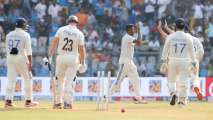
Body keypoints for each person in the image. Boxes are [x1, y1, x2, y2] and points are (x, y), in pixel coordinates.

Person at [157, 19, 204, 101]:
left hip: (179, 60)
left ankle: (174, 93)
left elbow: (170, 36)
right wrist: (196, 61)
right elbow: (201, 52)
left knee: (175, 79)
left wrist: (163, 60)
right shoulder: (194, 39)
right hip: (192, 60)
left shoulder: (177, 36)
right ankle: (195, 88)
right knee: (194, 78)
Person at [48, 15, 86, 109]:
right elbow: (81, 49)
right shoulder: (79, 33)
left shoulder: (61, 30)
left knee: (59, 80)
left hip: (61, 57)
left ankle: (57, 103)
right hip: (73, 58)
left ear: (68, 21)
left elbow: (54, 42)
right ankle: (68, 103)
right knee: (70, 81)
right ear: (76, 23)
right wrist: (83, 62)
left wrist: (49, 56)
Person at [5, 17, 38, 108]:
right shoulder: (25, 35)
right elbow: (29, 51)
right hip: (21, 58)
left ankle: (8, 101)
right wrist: (30, 63)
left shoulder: (9, 35)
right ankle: (28, 101)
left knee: (11, 80)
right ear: (23, 25)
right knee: (27, 79)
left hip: (10, 58)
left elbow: (7, 49)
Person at [110, 23, 147, 104]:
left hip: (130, 62)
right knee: (118, 81)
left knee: (136, 80)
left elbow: (139, 44)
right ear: (129, 30)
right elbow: (139, 41)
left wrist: (138, 32)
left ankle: (139, 98)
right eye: (133, 29)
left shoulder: (130, 37)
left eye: (134, 29)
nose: (134, 30)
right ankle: (107, 97)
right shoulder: (127, 37)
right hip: (124, 62)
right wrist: (139, 31)